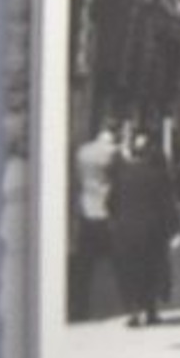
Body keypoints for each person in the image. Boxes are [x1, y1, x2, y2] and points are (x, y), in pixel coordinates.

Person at [106, 129, 180, 327]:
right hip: (153, 231)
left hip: (125, 230)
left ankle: (132, 312)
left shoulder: (121, 177)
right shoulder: (157, 175)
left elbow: (110, 203)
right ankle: (150, 311)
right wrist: (175, 230)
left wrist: (116, 221)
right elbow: (167, 204)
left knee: (129, 270)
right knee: (151, 270)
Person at [70, 122, 120, 320]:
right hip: (108, 211)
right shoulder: (114, 153)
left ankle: (80, 305)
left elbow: (76, 179)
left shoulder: (82, 152)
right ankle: (123, 304)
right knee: (117, 261)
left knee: (85, 263)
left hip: (86, 208)